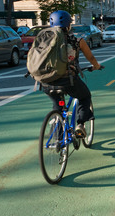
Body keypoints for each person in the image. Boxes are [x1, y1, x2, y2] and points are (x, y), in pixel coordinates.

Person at [43, 10, 102, 138]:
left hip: (46, 81)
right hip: (67, 81)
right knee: (85, 96)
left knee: (57, 105)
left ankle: (58, 139)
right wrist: (96, 66)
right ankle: (80, 124)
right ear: (69, 25)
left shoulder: (44, 40)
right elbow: (91, 58)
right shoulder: (77, 40)